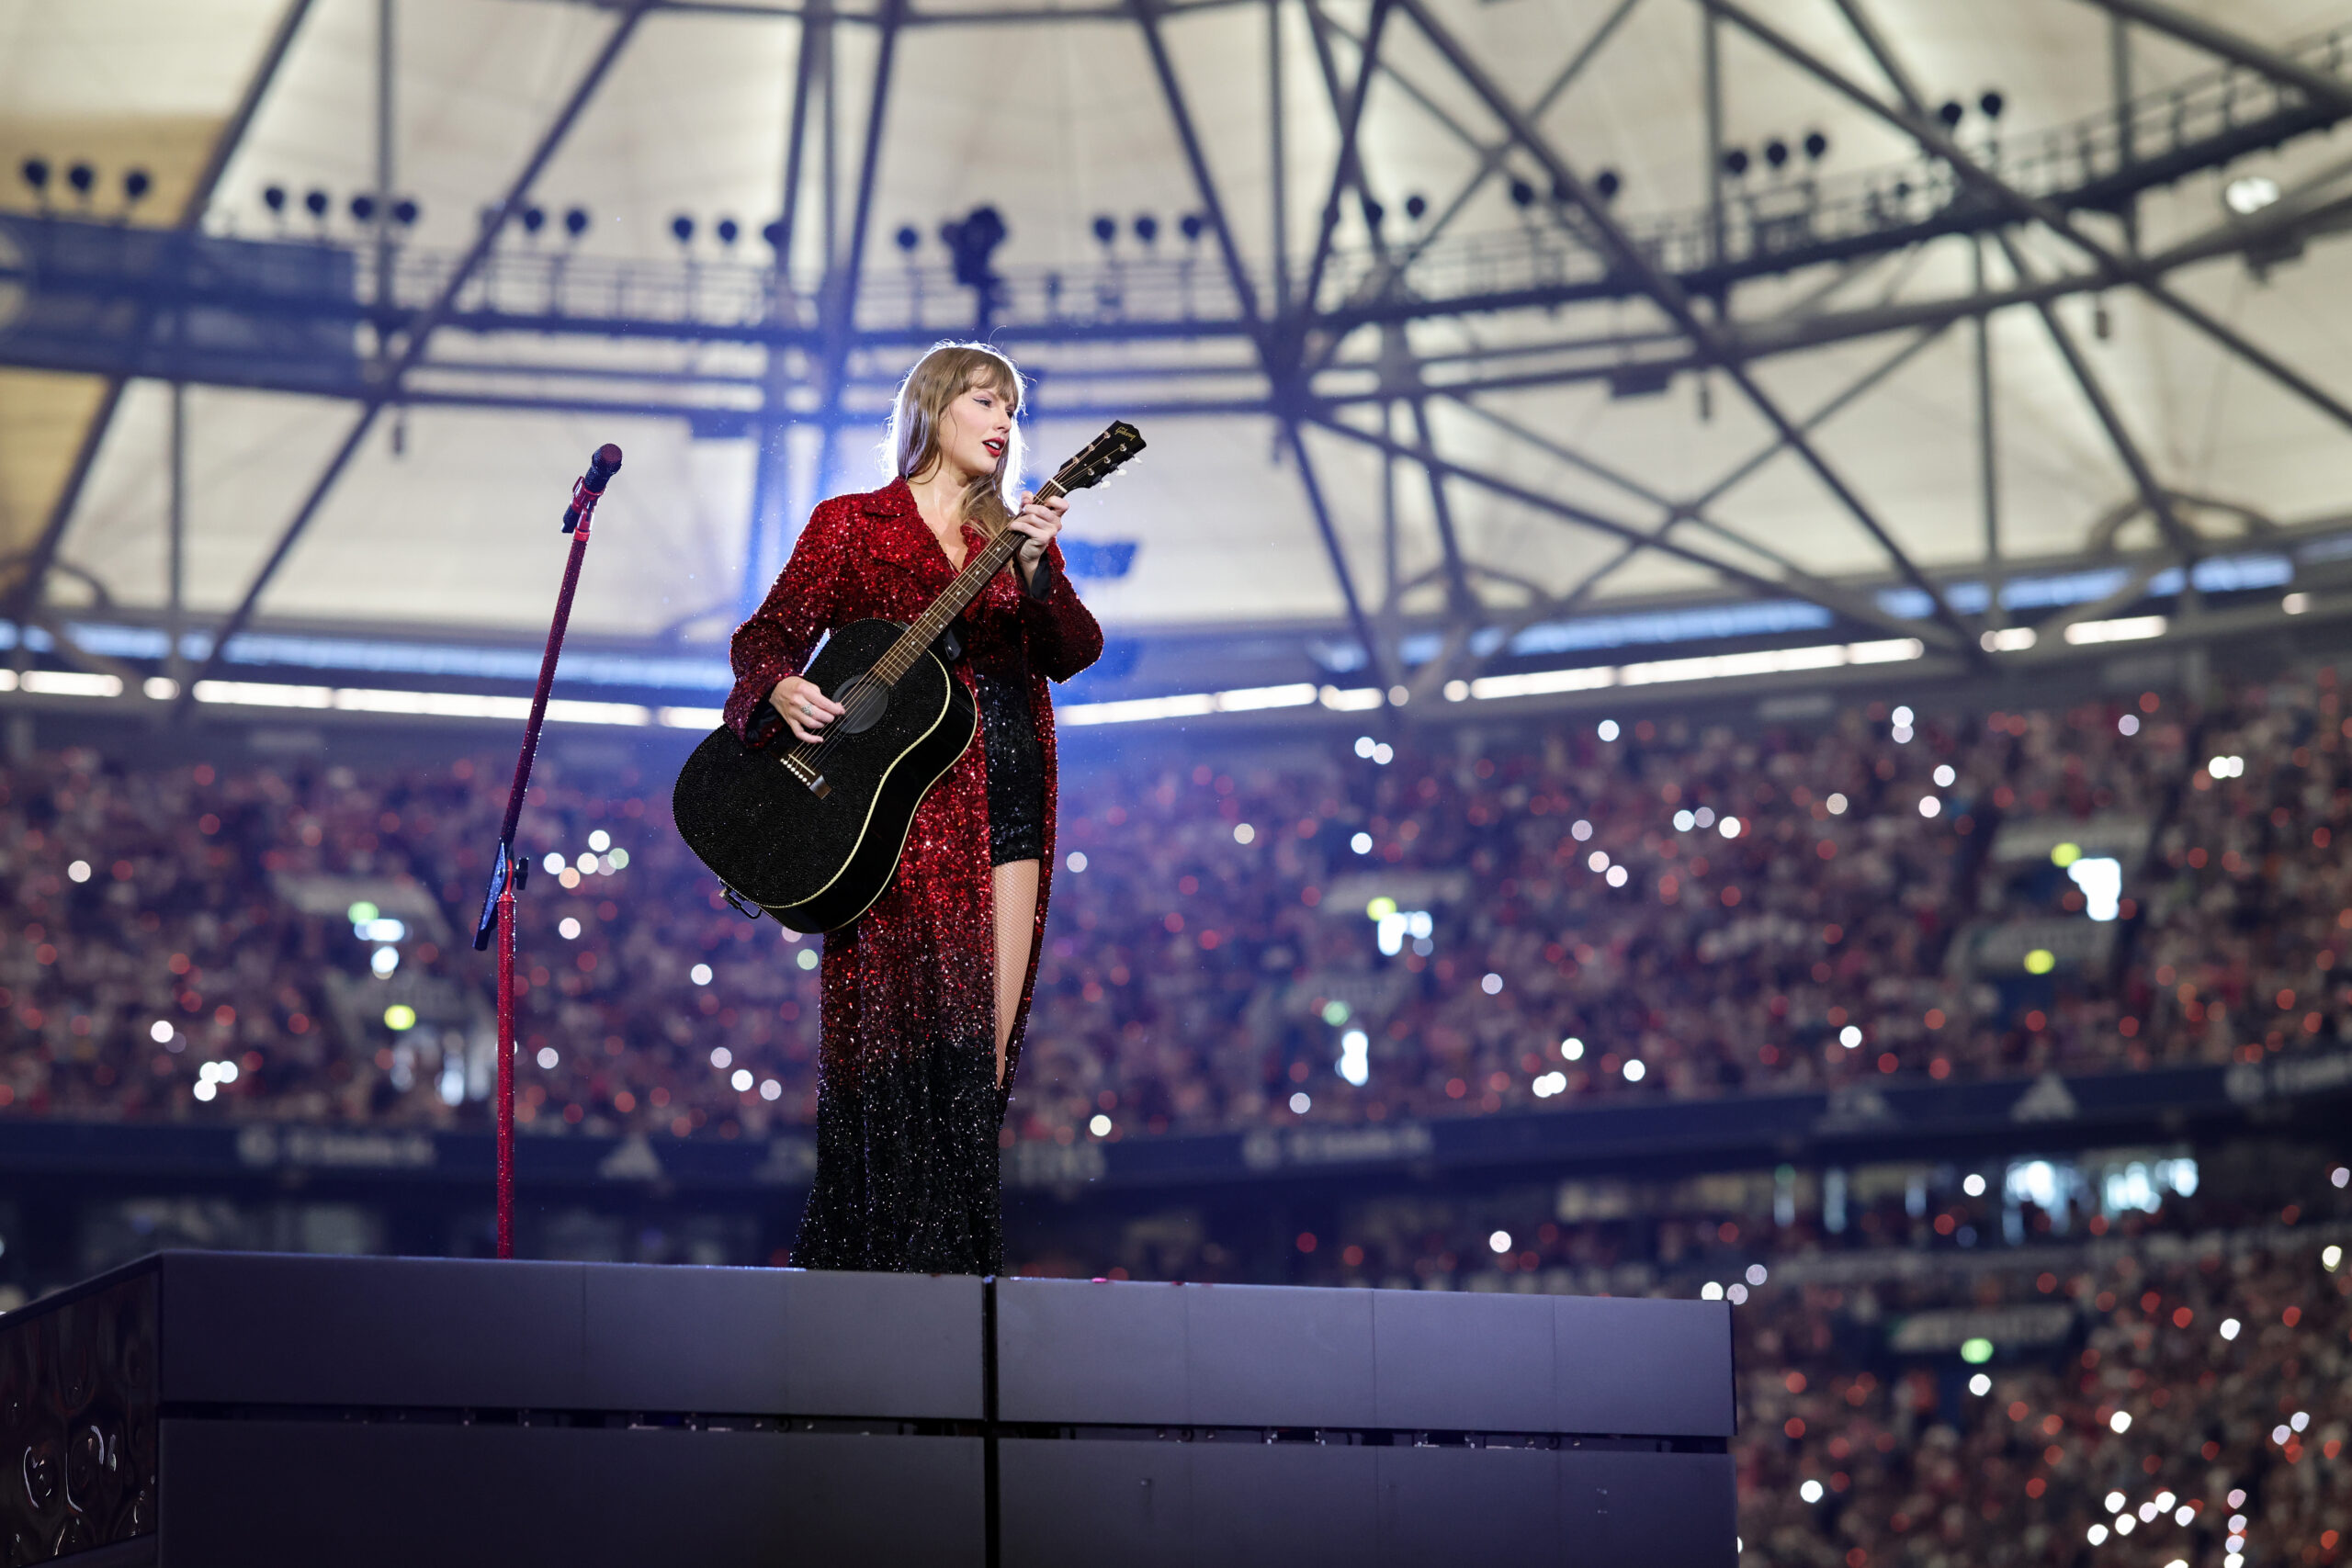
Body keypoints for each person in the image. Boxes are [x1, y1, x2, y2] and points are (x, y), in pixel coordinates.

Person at [723, 342, 1102, 1274]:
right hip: (891, 814)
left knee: (984, 1057)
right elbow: (765, 636)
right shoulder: (852, 525)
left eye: (1012, 406)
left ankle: (960, 1269)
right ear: (933, 408)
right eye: (985, 399)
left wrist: (1040, 573)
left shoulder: (1011, 536)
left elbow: (1075, 650)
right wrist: (776, 690)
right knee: (892, 1050)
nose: (1004, 420)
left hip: (1004, 792)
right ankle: (876, 1269)